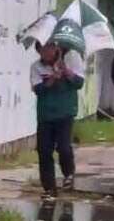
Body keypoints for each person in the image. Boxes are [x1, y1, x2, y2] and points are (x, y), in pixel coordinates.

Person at [31, 41, 84, 198]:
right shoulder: (36, 67)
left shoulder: (72, 59)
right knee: (44, 150)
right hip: (45, 114)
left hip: (65, 112)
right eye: (42, 51)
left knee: (63, 147)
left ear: (56, 49)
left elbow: (79, 83)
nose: (45, 54)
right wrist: (52, 78)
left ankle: (68, 174)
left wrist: (66, 72)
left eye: (48, 49)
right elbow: (38, 90)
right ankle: (49, 188)